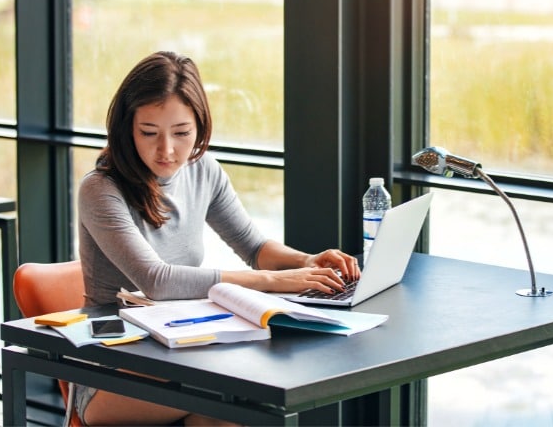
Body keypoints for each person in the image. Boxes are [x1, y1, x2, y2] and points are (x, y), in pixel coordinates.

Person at [76, 51, 360, 426]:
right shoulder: (100, 189)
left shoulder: (202, 170)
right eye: (149, 133)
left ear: (200, 126)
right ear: (127, 128)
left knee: (238, 412)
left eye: (181, 133)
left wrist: (305, 261)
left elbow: (254, 247)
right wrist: (275, 281)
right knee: (248, 394)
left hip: (183, 348)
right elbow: (157, 281)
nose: (167, 150)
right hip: (112, 370)